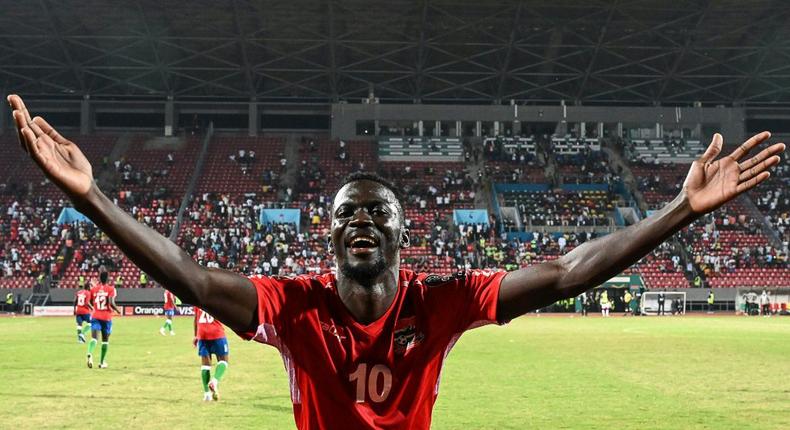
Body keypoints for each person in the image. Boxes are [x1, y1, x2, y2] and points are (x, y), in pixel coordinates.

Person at [9, 94, 785, 429]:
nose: (360, 222)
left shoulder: (438, 301)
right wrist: (91, 197)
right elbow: (189, 274)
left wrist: (681, 209)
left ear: (403, 233)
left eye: (377, 212)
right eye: (346, 212)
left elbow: (570, 271)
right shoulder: (295, 306)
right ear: (327, 234)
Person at [194, 307, 229, 402]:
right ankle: (214, 381)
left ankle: (207, 394)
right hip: (216, 333)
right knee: (223, 361)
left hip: (202, 334)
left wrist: (196, 335)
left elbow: (196, 318)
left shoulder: (198, 299)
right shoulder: (217, 299)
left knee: (205, 365)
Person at [87, 271, 120, 368]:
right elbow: (111, 302)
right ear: (108, 278)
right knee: (105, 340)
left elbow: (90, 302)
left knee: (94, 338)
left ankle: (89, 353)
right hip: (106, 317)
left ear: (99, 279)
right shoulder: (111, 289)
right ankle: (101, 363)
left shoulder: (94, 289)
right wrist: (117, 310)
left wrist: (95, 288)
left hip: (95, 315)